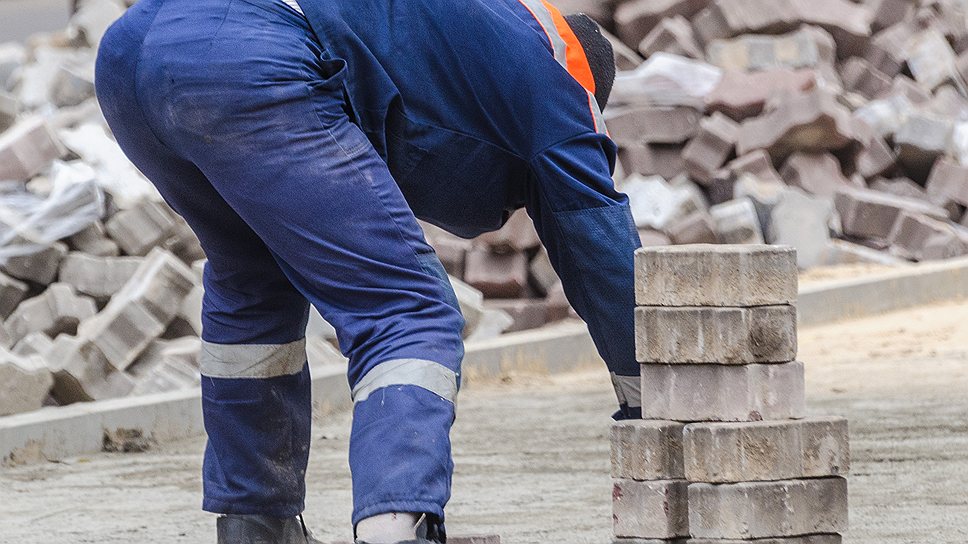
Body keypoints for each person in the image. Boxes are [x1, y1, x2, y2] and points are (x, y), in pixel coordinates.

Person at [94, 0, 641, 542]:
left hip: (135, 52)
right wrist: (656, 392)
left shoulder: (484, 38)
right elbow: (597, 241)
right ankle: (394, 529)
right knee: (405, 310)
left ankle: (256, 528)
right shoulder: (564, 78)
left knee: (253, 284)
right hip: (246, 55)